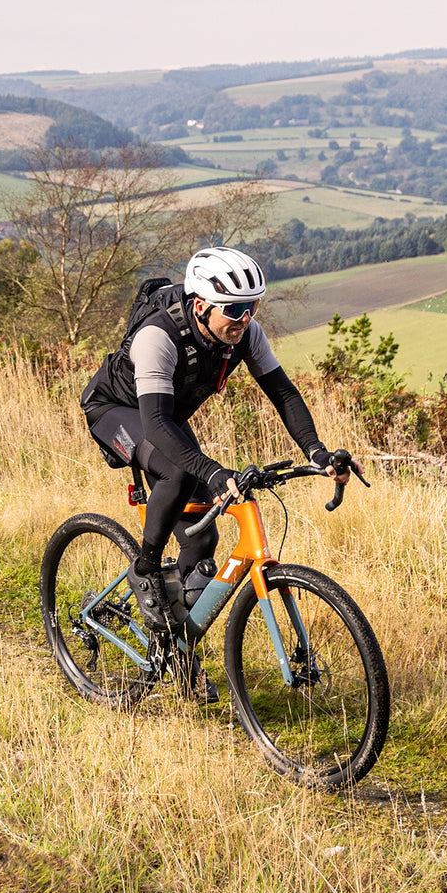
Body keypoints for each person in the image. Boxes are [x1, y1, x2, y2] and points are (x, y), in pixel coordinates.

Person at [79, 245, 352, 702]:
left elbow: (282, 393)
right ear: (201, 305)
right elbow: (157, 425)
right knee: (176, 472)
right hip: (118, 410)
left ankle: (178, 655)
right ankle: (145, 569)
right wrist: (208, 468)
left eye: (253, 307)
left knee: (203, 540)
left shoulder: (245, 334)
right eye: (235, 309)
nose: (245, 318)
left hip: (163, 413)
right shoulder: (158, 336)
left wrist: (318, 452)